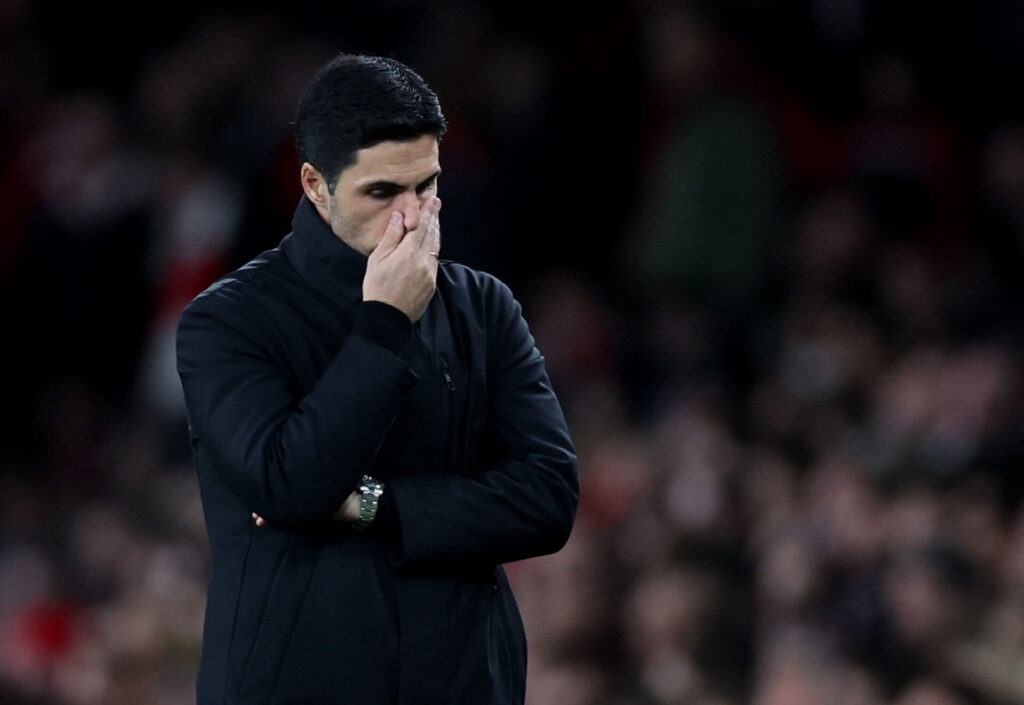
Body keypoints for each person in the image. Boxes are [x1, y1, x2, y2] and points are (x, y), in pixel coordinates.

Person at [175, 53, 579, 704]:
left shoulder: (483, 305)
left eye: (426, 185)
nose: (414, 216)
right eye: (383, 192)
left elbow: (548, 498)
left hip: (461, 681)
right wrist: (385, 323)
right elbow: (291, 482)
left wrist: (374, 505)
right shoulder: (226, 322)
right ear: (314, 184)